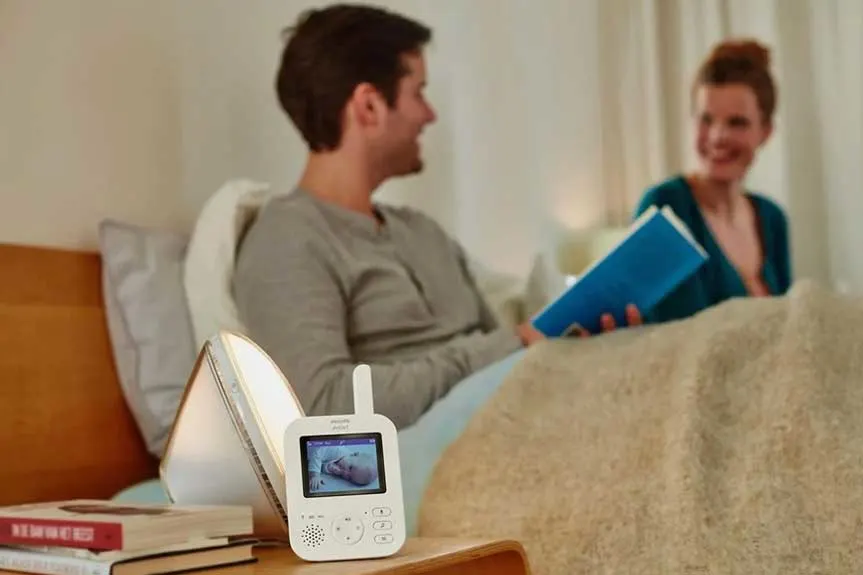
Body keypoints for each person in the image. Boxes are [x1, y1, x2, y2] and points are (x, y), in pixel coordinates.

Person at [233, 5, 638, 431]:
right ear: (369, 106)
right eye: (418, 93)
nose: (430, 115)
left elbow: (505, 355)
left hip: (522, 418)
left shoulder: (423, 233)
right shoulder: (286, 242)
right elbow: (323, 409)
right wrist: (506, 347)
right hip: (439, 458)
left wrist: (572, 345)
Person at [633, 38, 792, 324]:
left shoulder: (772, 218)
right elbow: (677, 336)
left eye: (737, 123)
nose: (717, 137)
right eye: (706, 120)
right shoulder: (664, 206)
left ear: (765, 131)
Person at [308, 445, 378, 491]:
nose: (345, 473)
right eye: (350, 468)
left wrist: (328, 468)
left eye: (349, 478)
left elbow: (322, 464)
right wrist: (315, 475)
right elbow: (317, 453)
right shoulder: (337, 450)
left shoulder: (341, 465)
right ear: (354, 454)